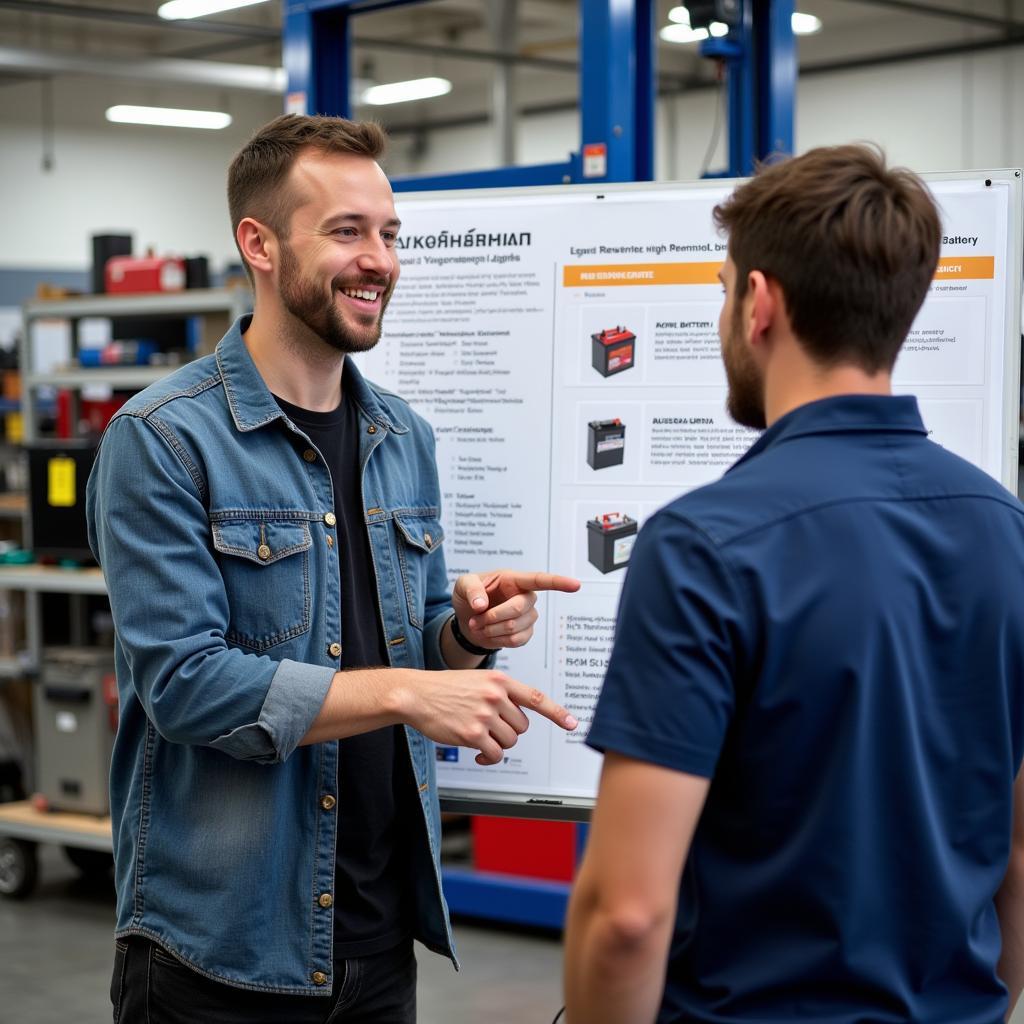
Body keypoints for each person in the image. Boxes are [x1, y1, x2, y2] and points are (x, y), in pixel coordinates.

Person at [86, 113, 580, 1023]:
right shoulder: (163, 438)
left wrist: (463, 635)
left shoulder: (405, 437)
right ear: (259, 244)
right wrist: (401, 691)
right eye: (347, 231)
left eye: (390, 234)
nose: (380, 260)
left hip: (379, 939)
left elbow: (421, 649)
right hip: (223, 955)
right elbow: (184, 685)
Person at [563, 144, 1024, 1023]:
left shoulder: (703, 545)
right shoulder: (1006, 530)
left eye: (726, 289)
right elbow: (1021, 854)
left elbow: (627, 913)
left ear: (761, 303)